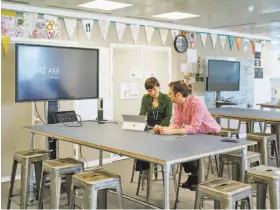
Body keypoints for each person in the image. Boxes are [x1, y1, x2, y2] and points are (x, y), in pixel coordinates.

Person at [155, 80, 221, 191]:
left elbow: (194, 127)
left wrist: (171, 132)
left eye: (170, 93)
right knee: (177, 146)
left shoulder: (197, 103)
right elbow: (177, 122)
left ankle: (197, 176)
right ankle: (195, 175)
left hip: (211, 134)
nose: (169, 95)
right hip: (197, 134)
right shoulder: (177, 104)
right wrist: (165, 129)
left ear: (178, 94)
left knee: (186, 147)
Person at [135, 77, 173, 171]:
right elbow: (142, 113)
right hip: (149, 126)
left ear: (159, 87)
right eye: (149, 91)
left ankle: (152, 164)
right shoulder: (145, 98)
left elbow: (168, 117)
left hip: (163, 127)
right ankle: (144, 170)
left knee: (150, 144)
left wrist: (159, 126)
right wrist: (140, 122)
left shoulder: (167, 99)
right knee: (142, 144)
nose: (152, 93)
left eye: (154, 89)